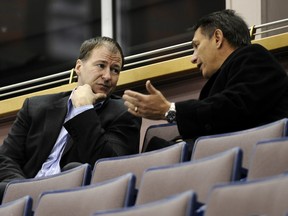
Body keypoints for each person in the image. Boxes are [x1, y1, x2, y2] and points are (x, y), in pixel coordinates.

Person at [123, 9, 288, 151]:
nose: (193, 59)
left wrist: (170, 111)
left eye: (196, 46)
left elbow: (231, 108)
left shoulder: (254, 56)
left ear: (217, 38)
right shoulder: (225, 76)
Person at [0, 36, 142, 200]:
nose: (108, 76)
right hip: (24, 193)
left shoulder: (125, 112)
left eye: (115, 70)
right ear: (79, 67)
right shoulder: (36, 107)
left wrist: (84, 110)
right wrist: (23, 190)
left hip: (73, 196)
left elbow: (110, 168)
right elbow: (6, 158)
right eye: (101, 66)